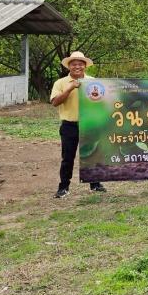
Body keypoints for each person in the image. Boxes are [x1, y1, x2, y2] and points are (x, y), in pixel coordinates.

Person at [49, 50, 105, 198]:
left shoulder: (93, 81)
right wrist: (70, 88)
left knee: (92, 155)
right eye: (74, 64)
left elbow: (101, 101)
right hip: (69, 125)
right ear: (69, 66)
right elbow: (55, 102)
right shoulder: (60, 83)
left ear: (85, 66)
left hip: (89, 125)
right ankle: (64, 187)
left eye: (80, 64)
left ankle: (95, 184)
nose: (77, 67)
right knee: (68, 157)